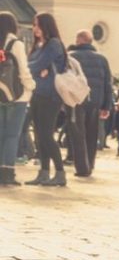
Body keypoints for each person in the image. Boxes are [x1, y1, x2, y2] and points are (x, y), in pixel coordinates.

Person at [25, 12, 67, 186]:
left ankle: (60, 172)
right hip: (37, 93)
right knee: (39, 136)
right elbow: (33, 66)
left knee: (46, 135)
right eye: (34, 25)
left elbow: (35, 65)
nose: (35, 29)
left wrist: (36, 70)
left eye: (38, 25)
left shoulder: (54, 44)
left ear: (46, 26)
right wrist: (37, 70)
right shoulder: (38, 46)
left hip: (50, 95)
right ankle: (43, 172)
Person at [67, 29, 113, 176]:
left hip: (77, 100)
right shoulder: (102, 59)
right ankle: (90, 164)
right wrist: (107, 106)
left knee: (78, 134)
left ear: (79, 40)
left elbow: (66, 80)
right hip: (95, 101)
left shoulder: (71, 57)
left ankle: (82, 168)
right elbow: (108, 84)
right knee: (92, 134)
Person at [0, 13, 36, 186]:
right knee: (12, 135)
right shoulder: (16, 44)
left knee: (1, 134)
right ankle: (8, 173)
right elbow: (23, 69)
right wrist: (31, 86)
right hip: (18, 95)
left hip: (0, 94)